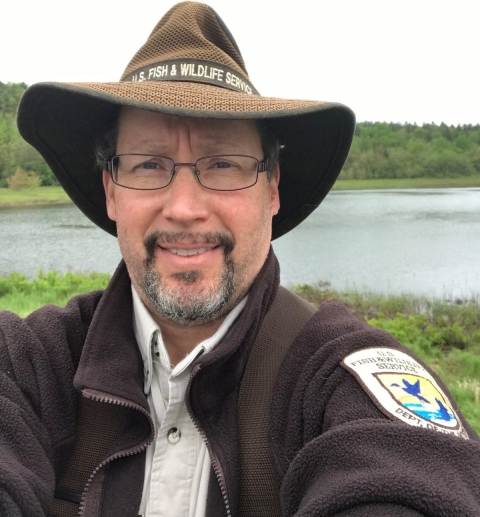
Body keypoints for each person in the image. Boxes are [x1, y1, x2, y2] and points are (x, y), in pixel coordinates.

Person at [1, 2, 479, 516]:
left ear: (271, 190)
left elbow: (410, 480)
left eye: (224, 163)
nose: (184, 209)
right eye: (148, 164)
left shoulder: (337, 381)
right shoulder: (30, 363)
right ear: (111, 191)